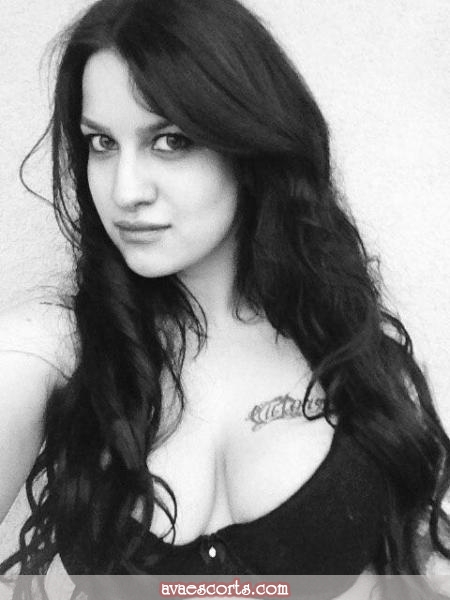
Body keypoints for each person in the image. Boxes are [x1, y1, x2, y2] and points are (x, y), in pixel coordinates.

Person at [0, 0, 449, 598]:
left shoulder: (354, 357)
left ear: (248, 144)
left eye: (170, 140)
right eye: (102, 143)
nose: (125, 190)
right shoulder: (52, 350)